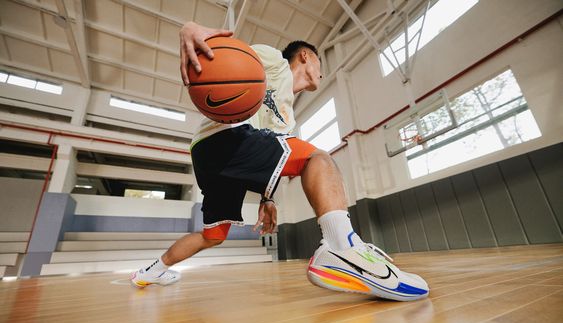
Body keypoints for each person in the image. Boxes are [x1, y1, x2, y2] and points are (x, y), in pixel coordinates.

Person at [131, 22, 429, 301]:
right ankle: (342, 248)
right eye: (319, 64)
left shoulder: (288, 119)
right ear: (304, 56)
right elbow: (227, 56)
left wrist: (267, 199)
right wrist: (191, 28)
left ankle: (151, 271)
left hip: (214, 161)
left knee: (212, 236)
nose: (321, 74)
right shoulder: (275, 62)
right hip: (223, 137)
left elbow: (266, 156)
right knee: (317, 157)